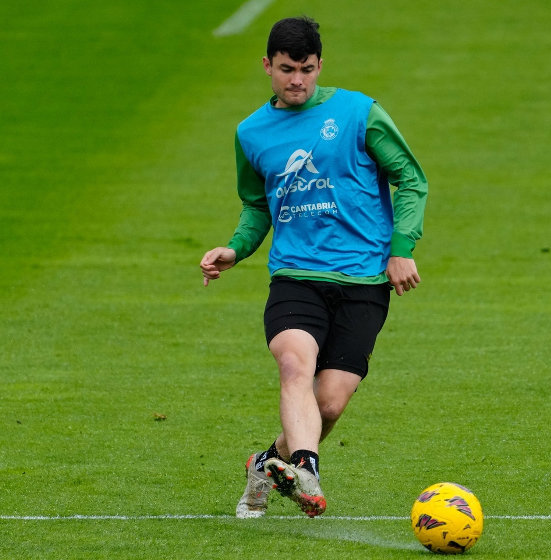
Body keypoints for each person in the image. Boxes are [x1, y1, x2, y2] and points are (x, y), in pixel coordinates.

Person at [199, 16, 427, 518]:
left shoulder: (358, 113)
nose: (296, 80)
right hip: (296, 277)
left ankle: (267, 465)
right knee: (294, 364)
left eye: (305, 69)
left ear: (320, 65)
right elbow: (258, 206)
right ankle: (306, 467)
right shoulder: (251, 132)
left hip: (363, 281)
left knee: (329, 404)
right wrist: (236, 249)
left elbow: (410, 178)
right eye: (285, 70)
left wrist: (401, 246)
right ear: (267, 66)